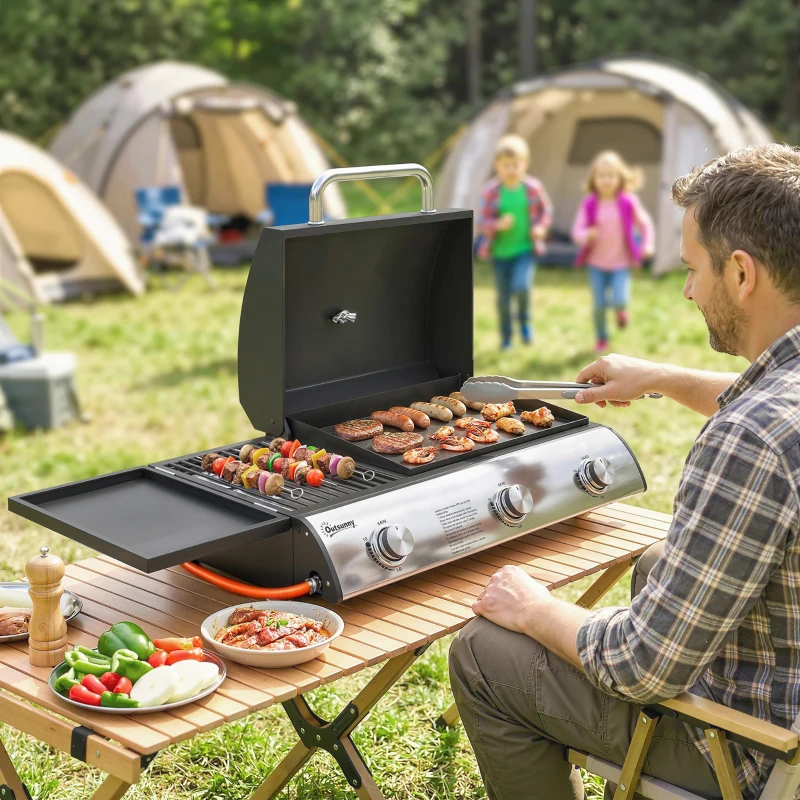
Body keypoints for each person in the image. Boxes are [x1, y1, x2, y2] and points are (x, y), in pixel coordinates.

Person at [450, 143, 800, 800]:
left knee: (480, 652)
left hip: (757, 751)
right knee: (654, 564)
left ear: (744, 274)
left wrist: (536, 610)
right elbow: (771, 394)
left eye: (694, 269)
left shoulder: (748, 440)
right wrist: (664, 378)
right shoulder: (779, 405)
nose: (691, 289)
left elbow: (643, 665)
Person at [572, 150, 655, 352]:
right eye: (602, 176)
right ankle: (602, 337)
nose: (606, 180)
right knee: (599, 305)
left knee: (619, 299)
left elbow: (645, 224)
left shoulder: (628, 202)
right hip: (596, 263)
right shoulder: (589, 204)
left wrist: (648, 244)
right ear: (594, 179)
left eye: (611, 176)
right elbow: (576, 230)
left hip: (620, 262)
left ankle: (621, 311)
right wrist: (585, 235)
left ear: (620, 178)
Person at [477, 135, 553, 350]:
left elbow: (545, 211)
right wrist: (496, 225)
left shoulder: (532, 188)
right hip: (499, 253)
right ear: (497, 166)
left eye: (515, 165)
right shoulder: (491, 191)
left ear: (525, 165)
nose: (511, 170)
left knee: (521, 286)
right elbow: (482, 221)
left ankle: (525, 323)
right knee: (503, 299)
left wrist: (540, 227)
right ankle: (507, 337)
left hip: (525, 249)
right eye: (506, 165)